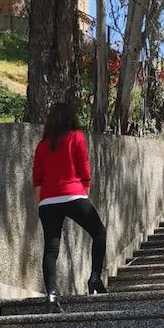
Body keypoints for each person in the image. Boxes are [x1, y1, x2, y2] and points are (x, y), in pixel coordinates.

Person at [32, 102, 108, 312]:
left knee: (50, 248)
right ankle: (95, 278)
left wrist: (43, 202)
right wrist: (83, 194)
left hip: (47, 201)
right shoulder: (76, 137)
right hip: (73, 195)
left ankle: (51, 296)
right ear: (71, 118)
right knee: (99, 232)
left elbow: (37, 178)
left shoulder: (42, 145)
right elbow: (85, 170)